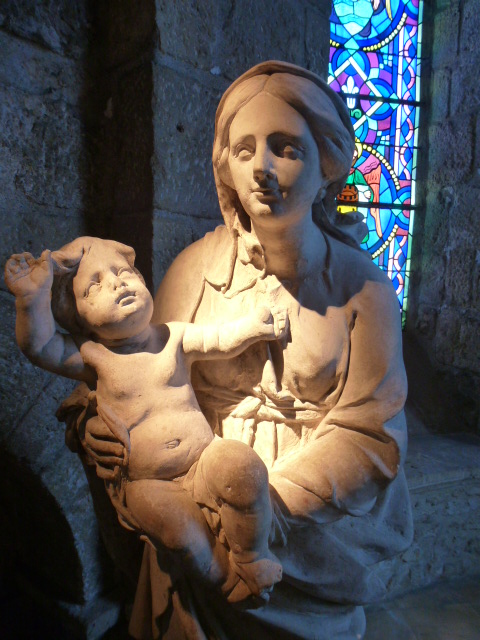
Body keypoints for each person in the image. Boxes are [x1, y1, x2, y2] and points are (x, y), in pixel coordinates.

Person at [75, 61, 413, 640]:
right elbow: (134, 368)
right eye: (243, 149)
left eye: (285, 148)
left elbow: (371, 433)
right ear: (225, 166)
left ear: (327, 164)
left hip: (310, 520)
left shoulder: (365, 290)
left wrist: (262, 508)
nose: (261, 168)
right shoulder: (193, 270)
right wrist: (95, 423)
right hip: (193, 502)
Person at [5, 236, 288, 603]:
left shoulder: (172, 336)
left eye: (124, 273)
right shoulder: (94, 357)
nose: (118, 283)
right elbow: (40, 346)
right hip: (148, 482)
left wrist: (254, 327)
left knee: (244, 470)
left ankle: (252, 557)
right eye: (96, 286)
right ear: (79, 318)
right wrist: (31, 299)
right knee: (178, 532)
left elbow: (219, 339)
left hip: (204, 457)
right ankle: (222, 581)